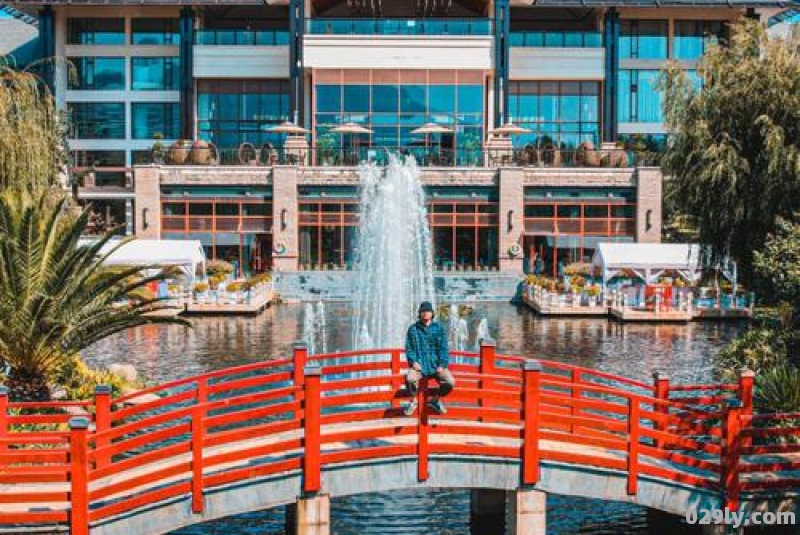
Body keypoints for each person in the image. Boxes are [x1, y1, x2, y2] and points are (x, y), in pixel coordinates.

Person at [404, 301, 455, 416]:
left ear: (432, 313)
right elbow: (409, 348)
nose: (425, 313)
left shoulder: (439, 329)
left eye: (428, 311)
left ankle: (435, 400)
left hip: (436, 365)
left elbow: (444, 348)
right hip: (420, 366)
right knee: (410, 379)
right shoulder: (413, 329)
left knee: (450, 381)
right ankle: (413, 401)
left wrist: (442, 364)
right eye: (423, 311)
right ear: (419, 313)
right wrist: (413, 362)